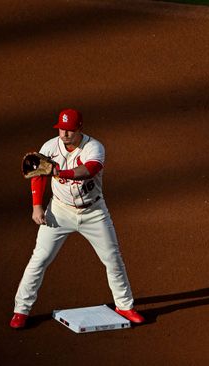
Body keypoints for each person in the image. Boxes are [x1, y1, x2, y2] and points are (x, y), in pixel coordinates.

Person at [9, 108, 144, 329]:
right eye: (61, 129)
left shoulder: (94, 147)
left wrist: (59, 172)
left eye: (70, 130)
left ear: (79, 128)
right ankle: (21, 311)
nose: (64, 134)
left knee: (113, 258)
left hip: (94, 212)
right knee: (39, 259)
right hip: (59, 212)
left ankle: (124, 306)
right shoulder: (50, 147)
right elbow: (38, 175)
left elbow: (89, 170)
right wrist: (37, 206)